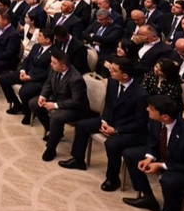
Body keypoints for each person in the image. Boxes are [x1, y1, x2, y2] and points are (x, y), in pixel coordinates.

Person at [59, 58, 150, 192]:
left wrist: (116, 130)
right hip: (110, 121)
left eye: (114, 70)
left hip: (129, 130)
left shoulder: (140, 94)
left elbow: (140, 123)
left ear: (125, 75)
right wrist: (104, 121)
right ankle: (78, 159)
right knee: (82, 125)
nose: (110, 71)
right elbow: (108, 105)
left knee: (111, 144)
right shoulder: (112, 83)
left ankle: (113, 179)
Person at [122, 95, 184, 211]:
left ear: (165, 116)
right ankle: (148, 198)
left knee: (168, 180)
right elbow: (153, 140)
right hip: (167, 155)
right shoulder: (156, 120)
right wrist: (149, 157)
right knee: (130, 154)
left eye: (151, 108)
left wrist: (161, 165)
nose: (147, 109)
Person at [35, 49, 90, 162]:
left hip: (76, 109)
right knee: (34, 104)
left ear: (63, 66)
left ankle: (51, 148)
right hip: (59, 99)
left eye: (54, 63)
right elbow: (48, 83)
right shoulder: (55, 68)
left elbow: (76, 102)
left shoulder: (76, 79)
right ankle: (54, 132)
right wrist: (42, 95)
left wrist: (55, 105)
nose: (51, 64)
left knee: (56, 117)